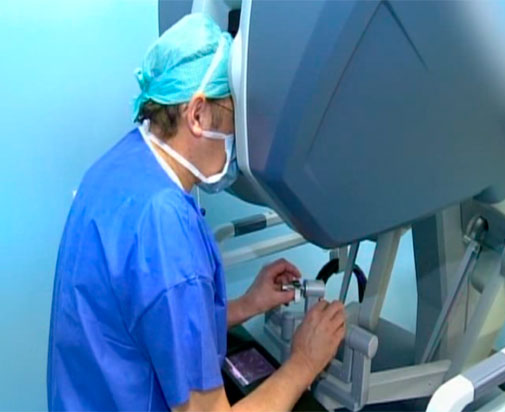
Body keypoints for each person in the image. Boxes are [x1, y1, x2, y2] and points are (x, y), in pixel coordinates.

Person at [47, 13, 346, 412]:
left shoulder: (116, 168)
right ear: (198, 114)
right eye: (234, 115)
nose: (238, 135)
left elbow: (151, 320)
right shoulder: (166, 227)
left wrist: (247, 304)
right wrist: (304, 363)